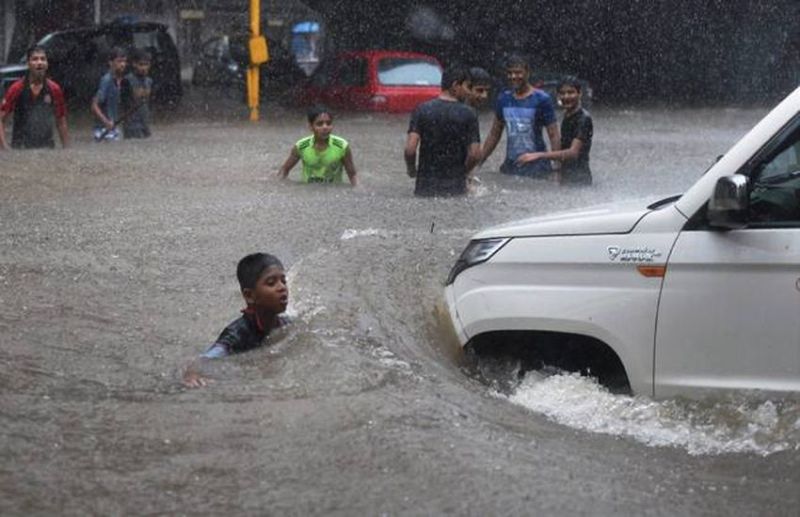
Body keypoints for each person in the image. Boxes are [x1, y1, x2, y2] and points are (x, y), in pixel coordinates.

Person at [183, 253, 290, 388]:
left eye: (283, 281)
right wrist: (192, 373)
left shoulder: (285, 323)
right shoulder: (237, 333)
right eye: (271, 283)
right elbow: (204, 359)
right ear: (249, 295)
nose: (282, 288)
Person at [404, 65, 482, 197]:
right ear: (455, 85)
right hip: (455, 189)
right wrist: (461, 173)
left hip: (425, 187)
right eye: (467, 86)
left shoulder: (422, 110)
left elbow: (410, 150)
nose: (469, 92)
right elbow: (475, 154)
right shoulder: (469, 114)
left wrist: (411, 170)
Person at [481, 54, 561, 178]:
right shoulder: (503, 99)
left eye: (518, 72)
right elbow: (494, 134)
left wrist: (558, 167)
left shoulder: (542, 99)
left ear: (527, 72)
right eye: (510, 73)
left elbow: (553, 134)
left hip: (537, 166)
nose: (513, 76)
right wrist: (479, 162)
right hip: (511, 165)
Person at [516, 76, 593, 184]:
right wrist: (557, 169)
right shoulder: (567, 115)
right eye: (562, 93)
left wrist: (539, 155)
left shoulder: (584, 119)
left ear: (580, 93)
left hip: (580, 179)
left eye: (571, 92)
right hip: (567, 176)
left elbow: (573, 153)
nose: (566, 97)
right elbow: (564, 146)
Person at [0, 45, 69, 150]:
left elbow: (61, 121)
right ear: (28, 64)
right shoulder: (16, 88)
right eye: (35, 59)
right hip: (20, 147)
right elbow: (1, 119)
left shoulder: (54, 89)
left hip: (47, 148)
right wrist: (4, 147)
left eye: (43, 59)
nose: (39, 62)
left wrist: (66, 149)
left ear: (47, 64)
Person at [277, 106, 358, 186]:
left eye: (328, 123)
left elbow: (352, 175)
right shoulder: (301, 146)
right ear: (311, 127)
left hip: (333, 192)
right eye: (319, 124)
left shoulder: (342, 146)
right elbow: (284, 170)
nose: (325, 127)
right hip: (308, 191)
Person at [91, 47, 128, 141]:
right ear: (111, 63)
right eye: (119, 61)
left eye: (124, 61)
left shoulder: (120, 80)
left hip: (113, 128)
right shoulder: (106, 80)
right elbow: (94, 106)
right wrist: (106, 122)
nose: (123, 64)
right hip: (103, 130)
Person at [122, 48, 153, 139]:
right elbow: (122, 103)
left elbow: (148, 103)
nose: (144, 68)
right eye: (141, 64)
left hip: (145, 124)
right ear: (134, 64)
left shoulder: (149, 81)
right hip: (132, 126)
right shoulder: (127, 81)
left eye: (146, 64)